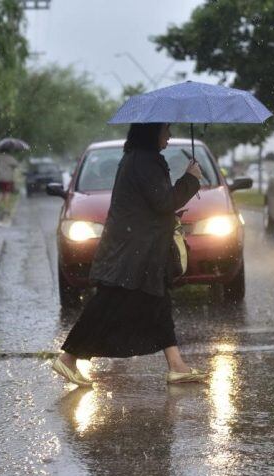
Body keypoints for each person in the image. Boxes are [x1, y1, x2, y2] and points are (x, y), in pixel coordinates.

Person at [52, 122, 206, 386]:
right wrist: (190, 178)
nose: (169, 135)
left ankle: (177, 365)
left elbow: (152, 205)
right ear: (152, 132)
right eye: (165, 130)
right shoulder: (145, 162)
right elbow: (164, 202)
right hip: (132, 252)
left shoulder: (140, 159)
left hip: (140, 249)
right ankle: (68, 358)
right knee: (108, 303)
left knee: (159, 303)